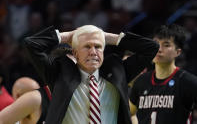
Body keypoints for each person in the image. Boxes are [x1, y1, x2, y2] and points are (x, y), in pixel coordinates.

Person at [23, 25, 159, 124]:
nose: (93, 52)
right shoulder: (60, 73)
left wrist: (110, 37)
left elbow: (151, 48)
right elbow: (32, 44)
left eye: (98, 47)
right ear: (75, 53)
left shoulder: (118, 71)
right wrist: (67, 36)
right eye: (87, 46)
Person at [129, 24, 197, 124]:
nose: (159, 49)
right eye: (156, 43)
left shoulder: (188, 82)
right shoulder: (141, 81)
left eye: (166, 45)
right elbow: (130, 113)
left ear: (178, 52)